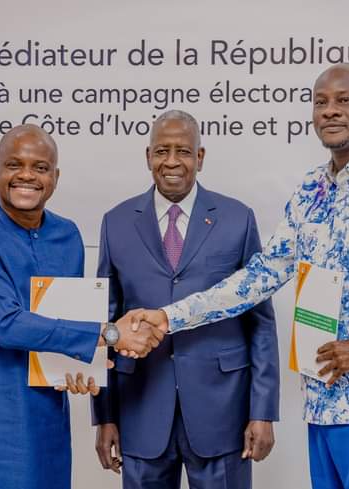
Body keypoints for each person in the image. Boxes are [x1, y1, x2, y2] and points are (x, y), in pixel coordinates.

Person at [128, 64, 349, 489]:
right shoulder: (312, 189)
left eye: (344, 100)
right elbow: (260, 276)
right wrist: (169, 317)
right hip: (321, 403)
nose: (330, 111)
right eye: (321, 102)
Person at [0, 124, 162, 489]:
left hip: (46, 420)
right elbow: (7, 324)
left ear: (55, 177)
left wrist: (80, 370)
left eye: (40, 168)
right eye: (14, 165)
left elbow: (68, 323)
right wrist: (112, 333)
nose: (27, 175)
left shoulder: (67, 235)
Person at [91, 110, 280, 489]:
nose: (172, 162)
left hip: (222, 413)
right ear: (148, 156)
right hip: (141, 409)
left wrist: (263, 412)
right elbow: (105, 323)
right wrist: (104, 416)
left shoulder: (237, 218)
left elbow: (260, 322)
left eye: (183, 151)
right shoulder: (116, 222)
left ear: (201, 156)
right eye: (162, 151)